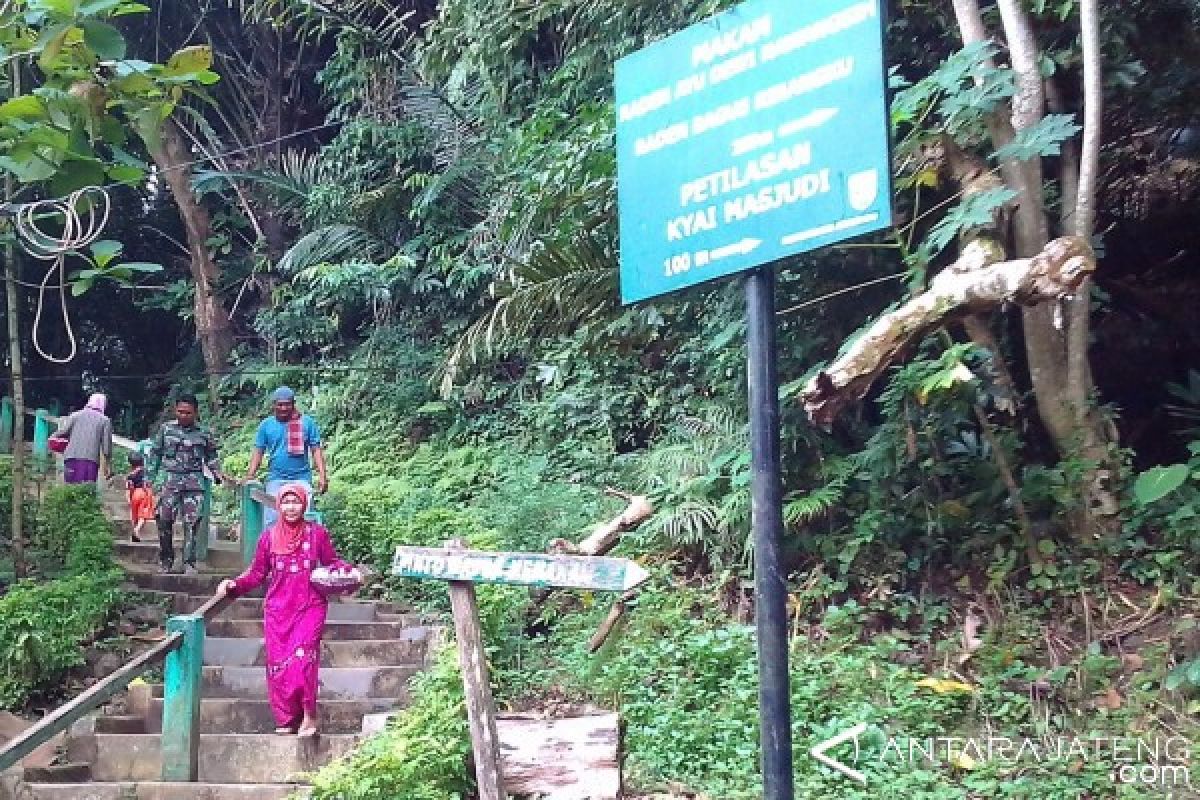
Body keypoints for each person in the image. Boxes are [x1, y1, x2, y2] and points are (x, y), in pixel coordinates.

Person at [215, 483, 358, 737]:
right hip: (278, 611)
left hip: (310, 606)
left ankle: (309, 716)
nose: (291, 507)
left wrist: (348, 573)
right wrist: (233, 585)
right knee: (279, 665)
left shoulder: (317, 534)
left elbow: (331, 562)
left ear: (304, 505)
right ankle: (287, 718)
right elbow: (257, 574)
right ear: (278, 505)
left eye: (296, 502)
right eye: (286, 502)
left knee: (303, 660)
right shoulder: (268, 537)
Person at [148, 394, 224, 574]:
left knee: (192, 524)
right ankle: (166, 559)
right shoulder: (166, 429)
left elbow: (211, 456)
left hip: (194, 484)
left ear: (195, 413)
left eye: (188, 413)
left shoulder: (204, 433)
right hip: (170, 482)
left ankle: (189, 562)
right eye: (180, 412)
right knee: (164, 520)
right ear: (175, 411)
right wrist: (149, 478)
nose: (183, 415)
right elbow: (155, 454)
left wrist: (217, 473)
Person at [244, 387, 328, 527]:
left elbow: (316, 450)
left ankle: (303, 548)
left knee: (305, 517)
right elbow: (259, 451)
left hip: (301, 478)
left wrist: (322, 476)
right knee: (272, 519)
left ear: (293, 404)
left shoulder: (306, 423)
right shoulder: (266, 425)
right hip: (276, 478)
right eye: (280, 404)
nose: (283, 408)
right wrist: (250, 474)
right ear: (274, 405)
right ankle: (272, 548)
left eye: (287, 404)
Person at [54, 393, 113, 485]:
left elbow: (63, 432)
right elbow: (106, 447)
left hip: (70, 458)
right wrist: (108, 464)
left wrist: (52, 438)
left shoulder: (75, 415)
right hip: (90, 460)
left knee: (70, 489)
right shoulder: (104, 420)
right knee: (86, 491)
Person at [125, 452, 154, 543]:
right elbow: (147, 483)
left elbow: (129, 488)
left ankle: (134, 531)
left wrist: (129, 498)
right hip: (144, 493)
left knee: (134, 515)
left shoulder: (130, 475)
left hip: (134, 494)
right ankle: (137, 530)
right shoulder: (146, 472)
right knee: (143, 515)